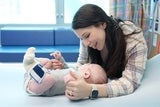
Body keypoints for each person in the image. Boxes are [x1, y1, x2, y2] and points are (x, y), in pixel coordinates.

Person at [64, 4, 148, 100]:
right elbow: (81, 64)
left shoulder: (133, 40)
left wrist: (90, 90)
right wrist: (74, 84)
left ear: (102, 24)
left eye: (87, 36)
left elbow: (129, 83)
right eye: (81, 39)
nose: (85, 44)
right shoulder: (86, 40)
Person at [23, 47, 107, 96]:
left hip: (36, 86)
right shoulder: (74, 70)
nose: (84, 64)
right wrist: (60, 59)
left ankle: (31, 66)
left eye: (87, 65)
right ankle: (32, 61)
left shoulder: (77, 84)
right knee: (47, 62)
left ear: (86, 74)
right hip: (39, 75)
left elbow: (71, 92)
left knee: (49, 79)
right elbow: (65, 67)